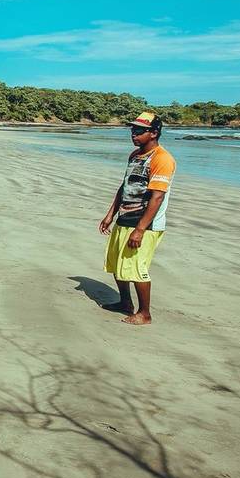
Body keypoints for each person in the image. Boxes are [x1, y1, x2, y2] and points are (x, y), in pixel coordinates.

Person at [98, 111, 177, 326]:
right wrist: (110, 215)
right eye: (133, 129)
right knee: (117, 264)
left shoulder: (162, 159)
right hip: (124, 217)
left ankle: (145, 314)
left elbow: (157, 196)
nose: (134, 134)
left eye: (140, 131)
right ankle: (125, 302)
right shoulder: (134, 156)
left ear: (154, 133)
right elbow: (125, 186)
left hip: (146, 223)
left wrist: (140, 229)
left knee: (136, 267)